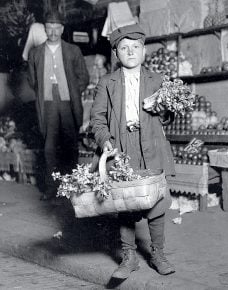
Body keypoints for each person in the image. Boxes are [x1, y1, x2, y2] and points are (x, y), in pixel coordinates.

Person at [90, 23, 176, 279]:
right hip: (122, 147)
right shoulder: (107, 82)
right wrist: (105, 139)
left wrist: (162, 109)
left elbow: (168, 115)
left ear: (144, 51)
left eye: (135, 47)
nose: (130, 52)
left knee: (157, 201)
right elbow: (97, 119)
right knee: (125, 202)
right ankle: (129, 255)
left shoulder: (158, 80)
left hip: (151, 143)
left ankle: (157, 253)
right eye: (124, 48)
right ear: (116, 53)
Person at [27, 10, 89, 202]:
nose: (53, 31)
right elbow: (32, 80)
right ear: (44, 29)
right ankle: (51, 189)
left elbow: (84, 78)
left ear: (62, 29)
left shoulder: (73, 50)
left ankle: (72, 188)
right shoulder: (35, 53)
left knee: (70, 147)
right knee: (49, 148)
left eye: (56, 28)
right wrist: (46, 89)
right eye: (49, 28)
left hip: (68, 105)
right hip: (47, 106)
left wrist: (71, 90)